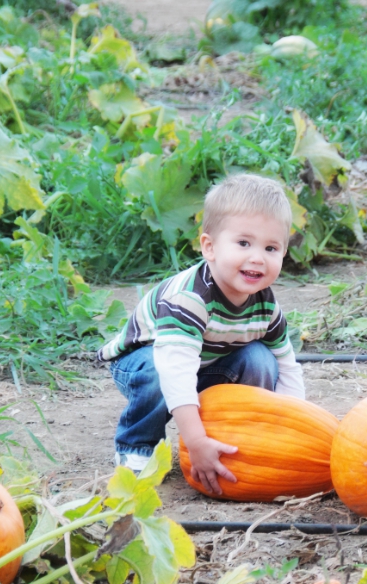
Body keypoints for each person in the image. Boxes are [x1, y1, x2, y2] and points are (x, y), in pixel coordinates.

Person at [97, 174, 304, 494]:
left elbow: (288, 367)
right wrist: (194, 442)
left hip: (206, 364)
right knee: (156, 371)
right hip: (143, 363)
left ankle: (240, 437)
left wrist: (292, 430)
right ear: (209, 247)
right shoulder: (190, 299)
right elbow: (175, 371)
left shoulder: (265, 306)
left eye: (271, 247)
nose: (257, 257)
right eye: (244, 243)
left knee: (261, 359)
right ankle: (138, 446)